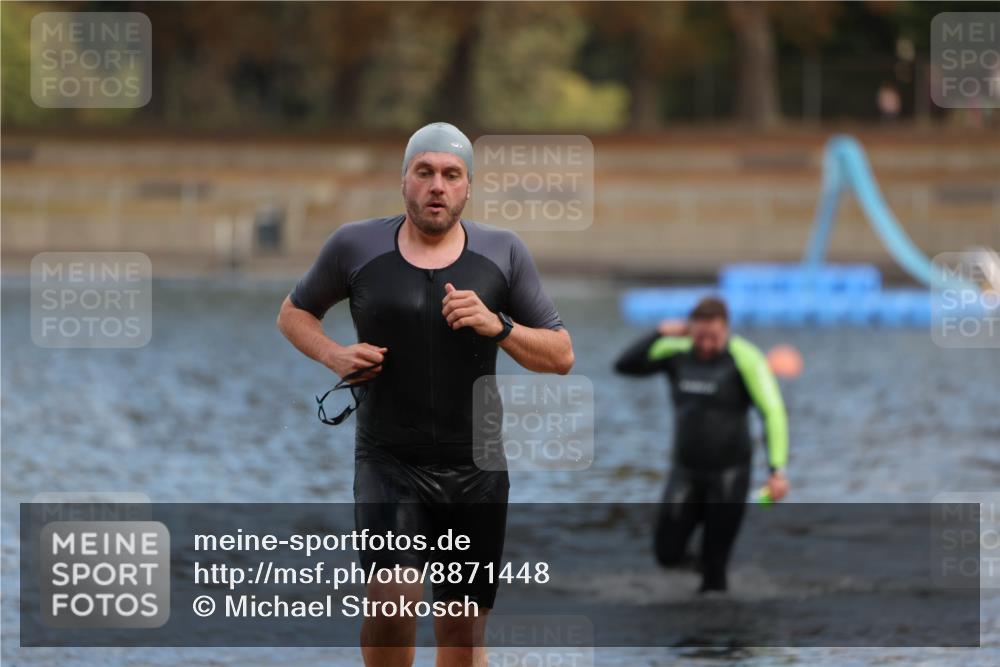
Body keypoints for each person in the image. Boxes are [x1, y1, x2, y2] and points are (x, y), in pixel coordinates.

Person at [277, 122, 574, 667]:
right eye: (426, 172)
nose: (437, 185)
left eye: (451, 175)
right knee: (392, 601)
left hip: (476, 469)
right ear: (405, 181)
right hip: (389, 460)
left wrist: (499, 326)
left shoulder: (503, 253)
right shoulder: (354, 246)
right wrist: (334, 355)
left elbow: (561, 355)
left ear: (467, 188)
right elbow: (293, 313)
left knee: (461, 635)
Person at [613, 296, 788, 593]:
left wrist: (776, 470)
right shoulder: (676, 353)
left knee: (715, 573)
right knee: (666, 554)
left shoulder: (745, 357)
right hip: (686, 472)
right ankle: (704, 577)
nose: (707, 345)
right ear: (690, 330)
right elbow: (624, 366)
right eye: (701, 336)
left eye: (714, 338)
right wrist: (659, 333)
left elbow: (773, 412)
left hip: (730, 475)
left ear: (727, 331)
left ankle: (715, 619)